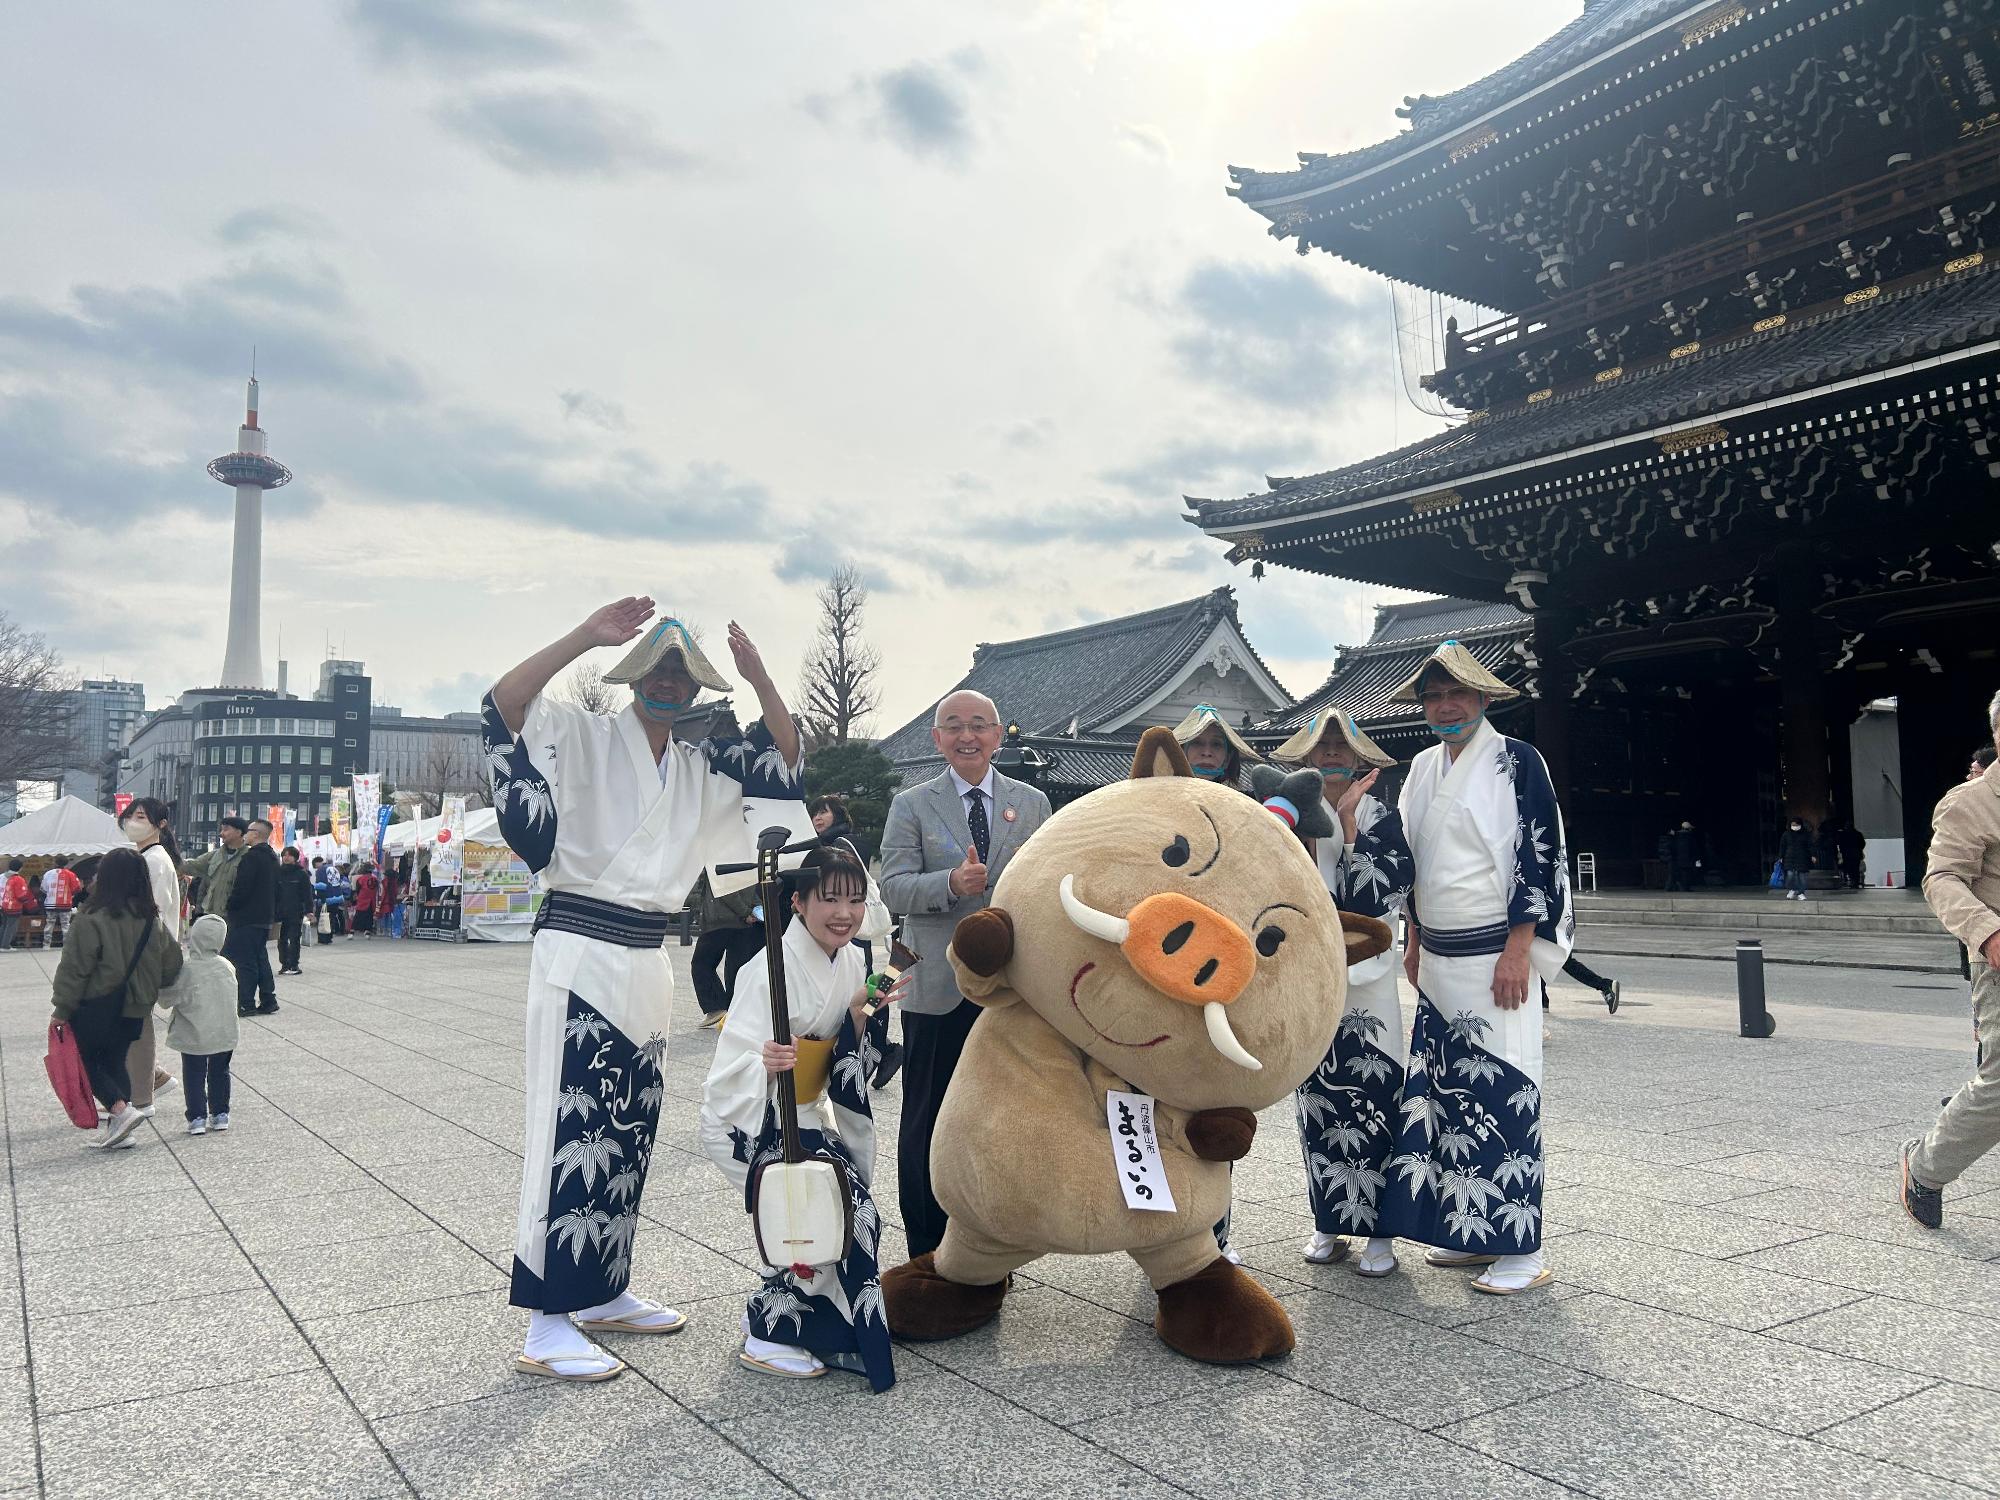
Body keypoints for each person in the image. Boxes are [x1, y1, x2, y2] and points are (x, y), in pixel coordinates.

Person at [486, 598, 806, 1384]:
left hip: (646, 955)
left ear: (697, 690)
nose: (669, 684)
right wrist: (582, 636)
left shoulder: (699, 768)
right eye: (657, 671)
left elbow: (786, 761)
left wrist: (760, 676)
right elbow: (504, 705)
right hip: (579, 944)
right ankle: (546, 1317)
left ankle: (600, 1288)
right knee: (569, 1127)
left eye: (683, 675)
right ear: (632, 678)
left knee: (626, 1127)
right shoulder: (582, 733)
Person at [1378, 641, 1574, 1296]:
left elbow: (1538, 854)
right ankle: (1472, 1232)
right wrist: (1410, 940)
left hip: (1497, 955)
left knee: (1503, 1093)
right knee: (1451, 1102)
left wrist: (1522, 947)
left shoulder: (1518, 762)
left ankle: (1522, 1249)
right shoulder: (1422, 768)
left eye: (1456, 694)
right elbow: (1410, 861)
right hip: (1437, 953)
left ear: (1484, 700)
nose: (1445, 706)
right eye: (1433, 697)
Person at [698, 847, 909, 1386]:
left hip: (807, 1110)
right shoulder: (765, 967)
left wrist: (865, 1013)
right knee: (809, 1216)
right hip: (751, 1117)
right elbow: (728, 1070)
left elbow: (841, 1042)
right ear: (796, 902)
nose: (845, 912)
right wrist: (764, 1060)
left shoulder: (853, 961)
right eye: (830, 899)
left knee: (850, 1215)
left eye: (856, 900)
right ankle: (769, 1331)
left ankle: (828, 1330)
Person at [879, 689, 1051, 1260]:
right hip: (937, 986)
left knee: (1003, 1117)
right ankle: (926, 1248)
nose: (967, 736)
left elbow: (1044, 886)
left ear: (999, 735)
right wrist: (950, 884)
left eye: (979, 725)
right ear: (937, 739)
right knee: (927, 1114)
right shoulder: (912, 804)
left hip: (1010, 988)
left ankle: (994, 1246)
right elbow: (893, 887)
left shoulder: (1031, 804)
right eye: (954, 726)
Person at [1274, 708, 1410, 1277]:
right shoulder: (1285, 817)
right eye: (1321, 749)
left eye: (1342, 749)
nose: (1331, 757)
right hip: (1310, 979)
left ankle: (1380, 1233)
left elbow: (1385, 893)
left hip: (1368, 980)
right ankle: (1329, 1221)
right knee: (1319, 1096)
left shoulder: (1384, 818)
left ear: (1360, 759)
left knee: (1377, 1096)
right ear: (1306, 758)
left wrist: (1352, 831)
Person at [1901, 689, 2000, 1230]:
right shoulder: (1970, 802)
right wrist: (1988, 935)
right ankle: (1926, 1167)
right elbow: (1941, 879)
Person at [50, 846, 184, 1149]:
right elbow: (171, 962)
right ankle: (120, 1127)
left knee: (86, 1059)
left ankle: (120, 1110)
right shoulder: (151, 919)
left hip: (96, 1002)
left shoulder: (91, 918)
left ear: (105, 878)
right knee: (115, 1060)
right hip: (137, 1004)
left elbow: (75, 968)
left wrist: (62, 1007)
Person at [808, 793, 901, 1087]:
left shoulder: (842, 844)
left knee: (864, 989)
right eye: (814, 814)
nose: (818, 818)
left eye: (824, 812)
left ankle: (884, 1048)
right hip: (847, 930)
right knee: (866, 988)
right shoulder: (829, 844)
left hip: (852, 927)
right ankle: (883, 1049)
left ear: (838, 814)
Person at [118, 798, 185, 1109]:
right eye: (130, 814)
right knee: (130, 1021)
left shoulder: (154, 860)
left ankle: (142, 1093)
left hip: (142, 951)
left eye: (141, 816)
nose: (133, 820)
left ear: (161, 824)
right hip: (140, 950)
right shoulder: (146, 857)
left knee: (135, 1022)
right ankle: (149, 1080)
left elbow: (149, 914)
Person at [155, 914, 239, 1135]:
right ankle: (220, 1113)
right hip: (223, 1032)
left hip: (194, 1033)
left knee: (194, 1074)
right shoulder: (227, 966)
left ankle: (197, 1117)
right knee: (220, 1072)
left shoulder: (188, 969)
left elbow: (167, 999)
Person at [689, 874, 764, 1032]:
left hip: (719, 920)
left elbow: (726, 890)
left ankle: (716, 1008)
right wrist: (755, 910)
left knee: (701, 963)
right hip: (742, 925)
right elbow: (752, 891)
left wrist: (745, 912)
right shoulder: (747, 861)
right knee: (736, 970)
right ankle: (736, 1012)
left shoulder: (720, 858)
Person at [226, 818, 279, 1017]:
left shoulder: (251, 857)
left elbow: (242, 888)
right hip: (265, 916)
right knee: (260, 957)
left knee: (245, 961)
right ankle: (268, 999)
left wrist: (231, 904)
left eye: (248, 831)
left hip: (246, 916)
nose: (245, 834)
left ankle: (246, 1002)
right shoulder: (273, 857)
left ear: (256, 834)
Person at [1172, 703, 1260, 789]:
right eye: (1197, 743)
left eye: (1216, 744)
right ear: (1181, 753)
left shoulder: (1243, 802)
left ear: (1227, 759)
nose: (1207, 753)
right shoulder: (1161, 797)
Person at [183, 818, 246, 919]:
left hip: (235, 918)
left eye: (225, 830)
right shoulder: (214, 855)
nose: (221, 834)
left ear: (238, 832)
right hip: (210, 915)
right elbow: (191, 866)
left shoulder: (249, 857)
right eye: (221, 830)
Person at [275, 847, 312, 975]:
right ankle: (284, 964)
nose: (286, 857)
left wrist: (309, 910)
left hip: (296, 911)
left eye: (290, 855)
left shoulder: (301, 874)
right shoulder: (277, 873)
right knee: (281, 939)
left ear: (295, 858)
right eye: (284, 855)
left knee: (295, 937)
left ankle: (294, 964)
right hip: (279, 911)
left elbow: (307, 894)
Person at [40, 861, 80, 949]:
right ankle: (67, 945)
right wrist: (70, 894)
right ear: (66, 864)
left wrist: (51, 892)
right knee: (65, 925)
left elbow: (43, 889)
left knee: (49, 924)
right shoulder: (71, 874)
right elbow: (77, 888)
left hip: (50, 902)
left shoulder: (48, 874)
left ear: (55, 863)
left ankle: (46, 944)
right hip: (65, 903)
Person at [1779, 817, 1813, 901]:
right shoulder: (1786, 834)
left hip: (1802, 857)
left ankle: (1801, 893)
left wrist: (1812, 855)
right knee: (1790, 875)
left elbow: (1809, 846)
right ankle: (1792, 889)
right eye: (1793, 825)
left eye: (1796, 825)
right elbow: (1782, 846)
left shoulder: (1805, 834)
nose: (1795, 826)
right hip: (1789, 857)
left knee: (1802, 877)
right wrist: (1781, 856)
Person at [0, 859, 27, 952]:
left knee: (4, 925)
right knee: (11, 927)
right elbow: (21, 895)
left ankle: (2, 944)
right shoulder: (19, 879)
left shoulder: (7, 878)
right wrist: (26, 901)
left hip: (5, 904)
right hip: (14, 906)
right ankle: (5, 945)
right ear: (20, 868)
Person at [1667, 820, 1700, 892]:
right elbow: (1694, 850)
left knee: (1674, 875)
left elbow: (1671, 846)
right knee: (1686, 875)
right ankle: (1685, 888)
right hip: (1687, 861)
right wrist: (1697, 862)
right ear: (1689, 829)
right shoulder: (1690, 838)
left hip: (1675, 860)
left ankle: (1671, 888)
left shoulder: (1676, 836)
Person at [352, 862, 380, 938]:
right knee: (369, 916)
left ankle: (352, 932)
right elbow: (376, 889)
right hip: (372, 899)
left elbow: (358, 889)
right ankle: (367, 931)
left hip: (362, 899)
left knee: (358, 915)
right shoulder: (375, 879)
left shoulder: (360, 879)